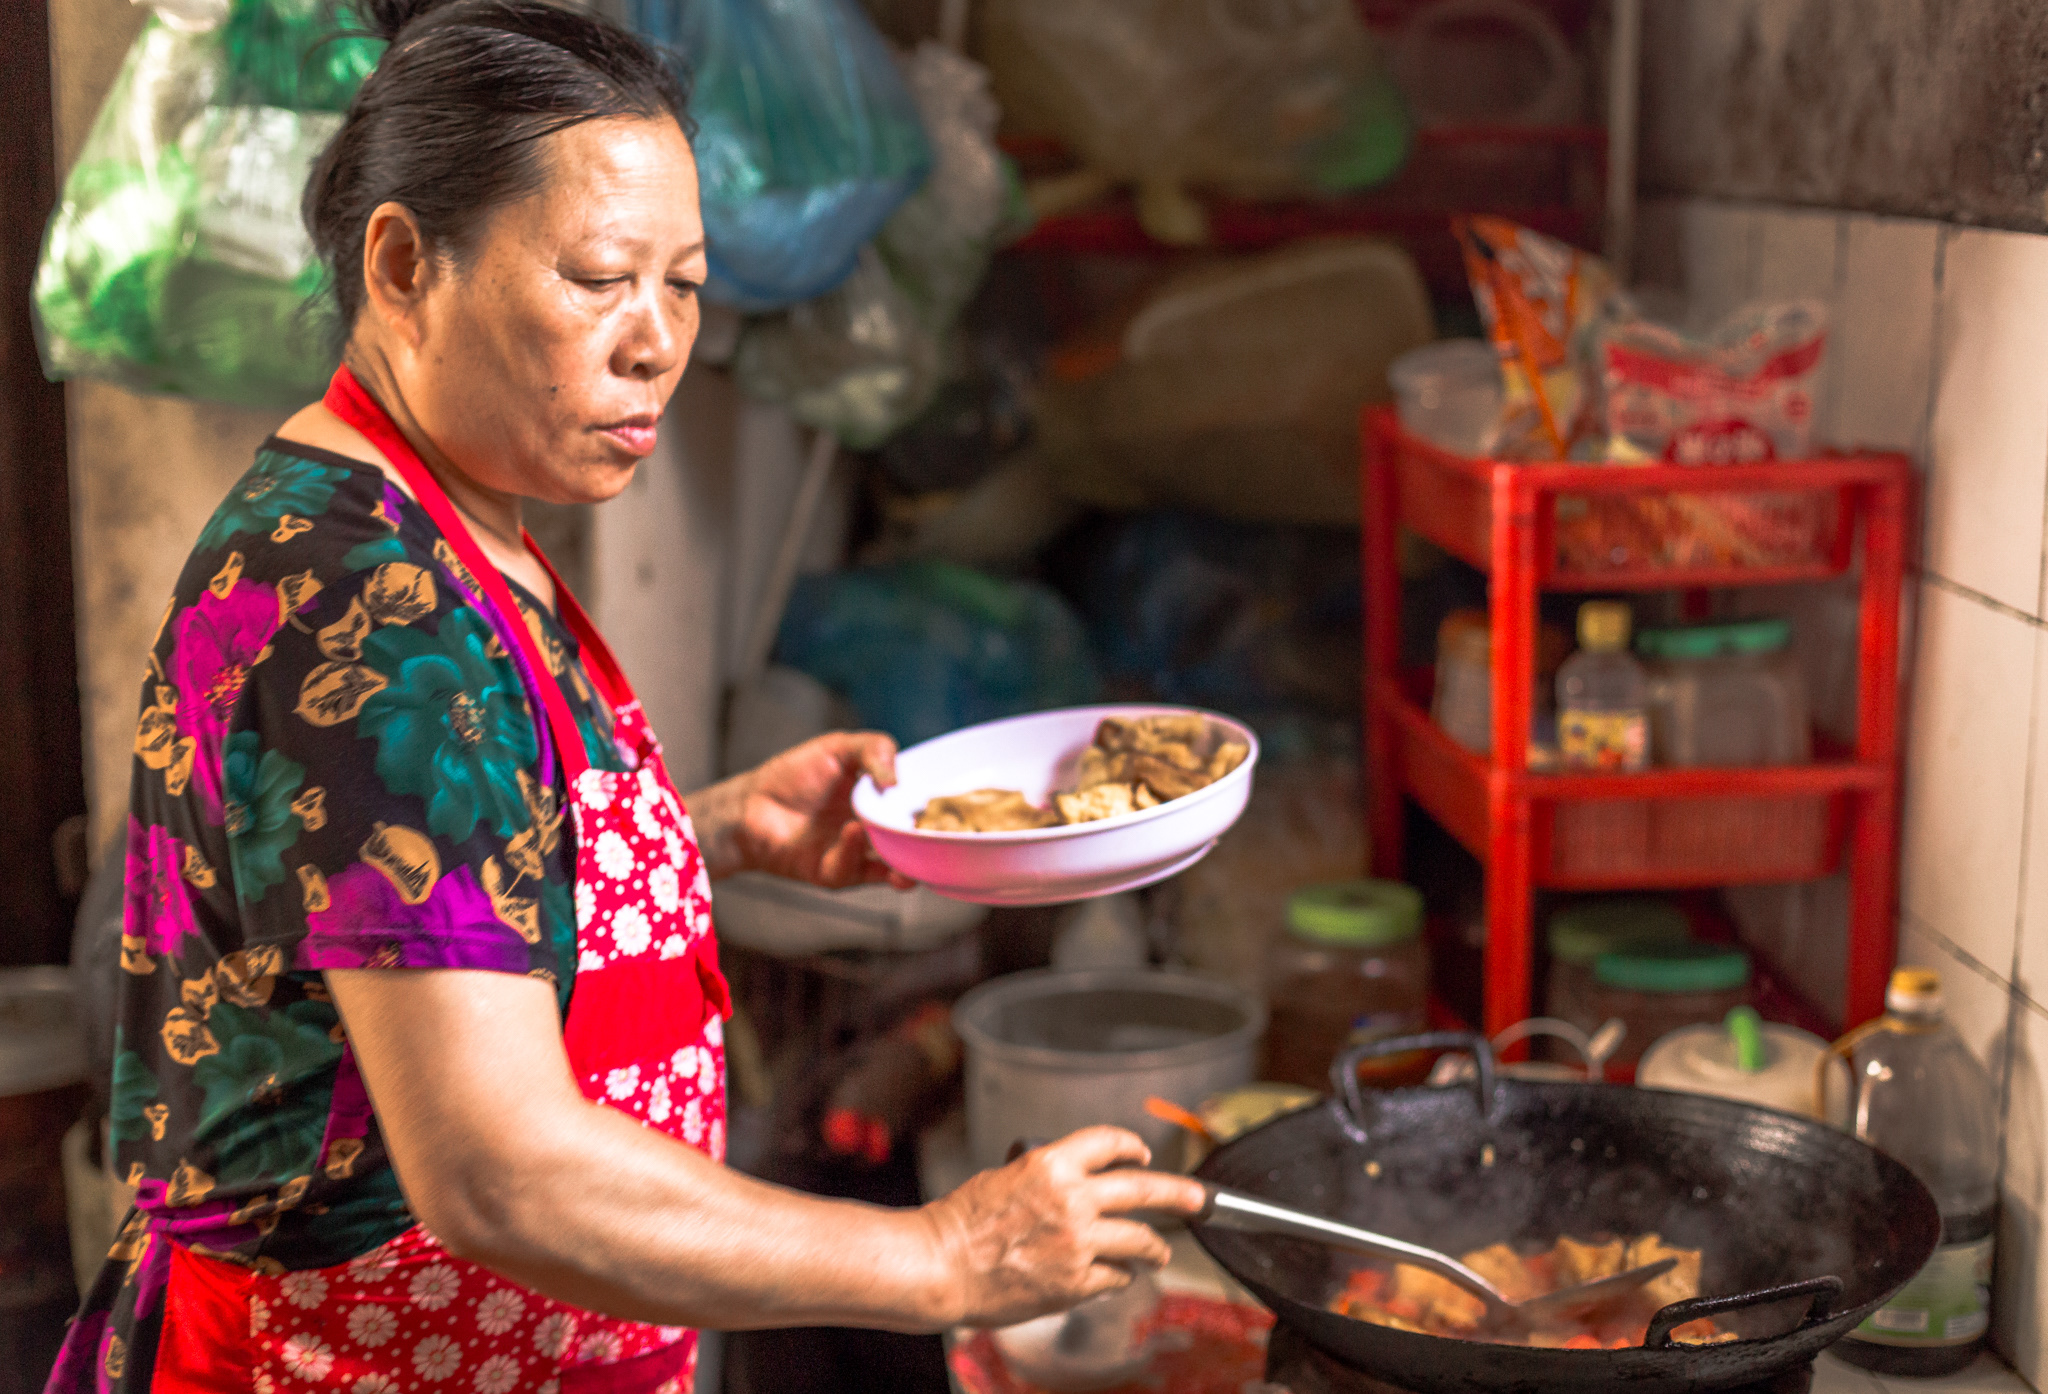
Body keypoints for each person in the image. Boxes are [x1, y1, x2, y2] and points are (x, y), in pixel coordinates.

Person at [46, 2, 1203, 1389]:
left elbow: (411, 875)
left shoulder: (458, 528)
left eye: (687, 284)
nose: (657, 341)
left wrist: (694, 831)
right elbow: (497, 1168)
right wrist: (943, 1257)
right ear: (405, 263)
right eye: (601, 276)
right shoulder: (360, 591)